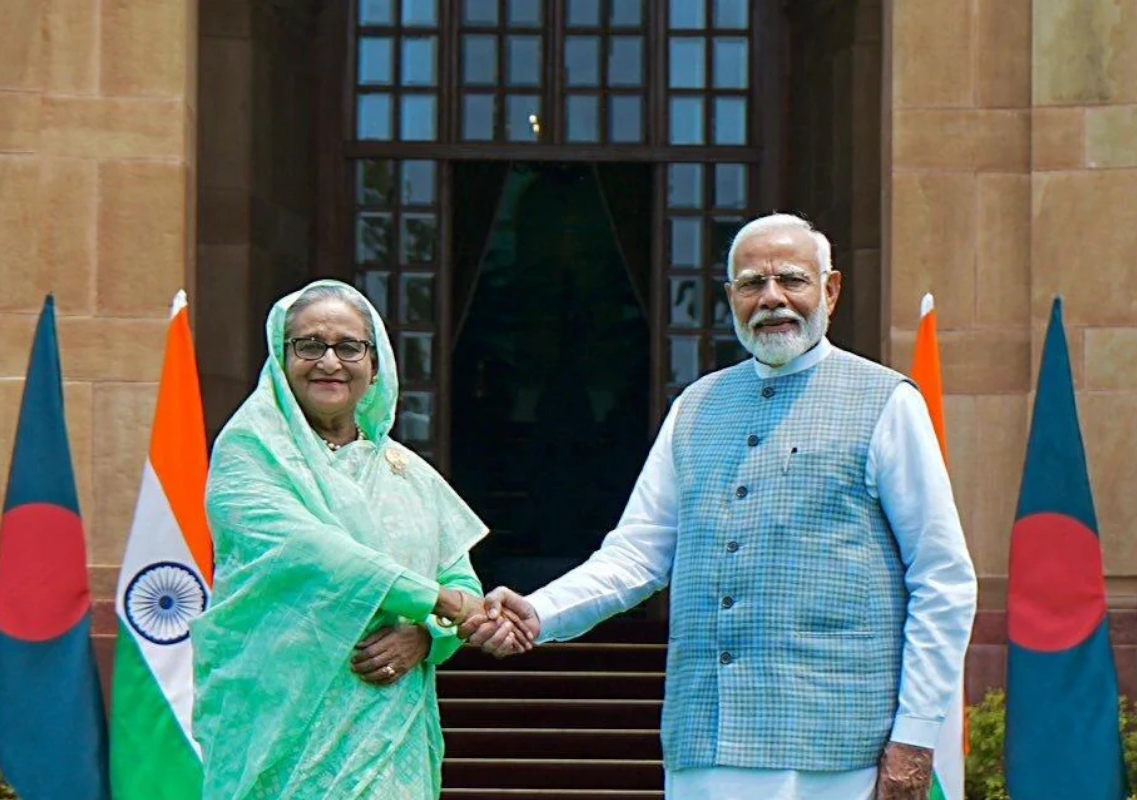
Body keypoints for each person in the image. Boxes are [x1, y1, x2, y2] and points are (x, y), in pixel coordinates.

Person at [463, 214, 978, 800]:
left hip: (837, 749)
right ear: (730, 297)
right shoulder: (696, 407)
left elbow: (943, 579)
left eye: (792, 280)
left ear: (830, 290)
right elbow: (636, 556)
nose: (773, 298)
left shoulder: (886, 402)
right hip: (705, 740)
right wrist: (538, 611)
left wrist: (915, 736)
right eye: (753, 284)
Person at [192, 280, 527, 799]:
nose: (330, 361)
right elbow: (312, 553)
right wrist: (440, 603)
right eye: (309, 345)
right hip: (280, 722)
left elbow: (460, 576)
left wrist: (426, 636)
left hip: (387, 721)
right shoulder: (249, 452)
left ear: (375, 367)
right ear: (282, 361)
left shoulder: (407, 473)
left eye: (349, 347)